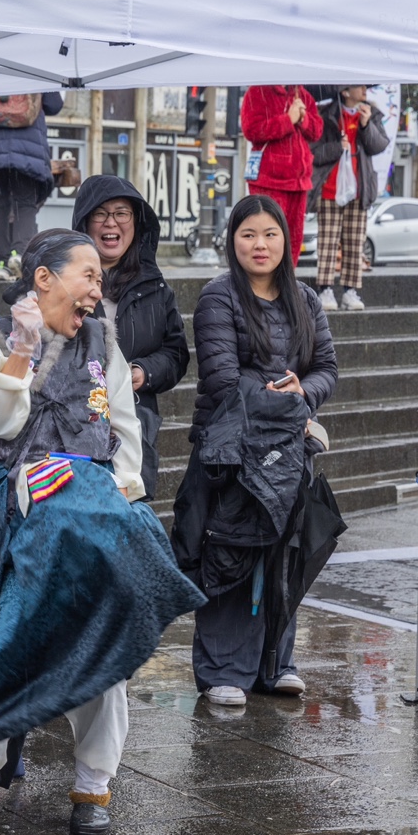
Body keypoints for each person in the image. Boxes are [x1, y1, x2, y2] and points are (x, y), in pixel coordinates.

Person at [0, 229, 204, 835]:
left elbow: (122, 425)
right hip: (19, 504)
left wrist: (123, 490)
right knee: (8, 639)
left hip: (92, 505)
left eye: (100, 280)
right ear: (44, 278)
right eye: (88, 275)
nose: (96, 289)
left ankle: (92, 784)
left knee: (99, 641)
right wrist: (22, 352)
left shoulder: (102, 340)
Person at [178, 194, 338, 707]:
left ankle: (275, 664)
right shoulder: (218, 296)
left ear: (286, 240)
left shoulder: (305, 299)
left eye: (270, 234)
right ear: (233, 241)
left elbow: (326, 368)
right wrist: (286, 400)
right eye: (248, 235)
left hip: (288, 451)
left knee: (283, 555)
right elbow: (223, 379)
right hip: (231, 452)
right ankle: (223, 670)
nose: (260, 244)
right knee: (230, 550)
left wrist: (302, 392)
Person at [71, 175, 190, 501]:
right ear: (84, 223)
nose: (111, 222)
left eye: (122, 213)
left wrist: (143, 372)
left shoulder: (156, 287)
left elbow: (176, 353)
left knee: (131, 512)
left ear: (136, 222)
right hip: (73, 428)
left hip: (134, 427)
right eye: (100, 213)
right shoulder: (64, 284)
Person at [0, 93, 64, 280]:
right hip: (28, 146)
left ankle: (0, 263)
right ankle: (19, 254)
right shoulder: (37, 75)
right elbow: (54, 105)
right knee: (25, 204)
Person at [310, 85, 390, 312]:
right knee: (327, 242)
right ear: (345, 91)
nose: (364, 89)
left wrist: (366, 125)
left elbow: (378, 146)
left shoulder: (372, 114)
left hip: (359, 189)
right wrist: (337, 147)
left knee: (355, 243)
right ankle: (325, 288)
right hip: (330, 189)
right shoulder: (326, 114)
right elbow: (313, 152)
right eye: (359, 86)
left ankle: (350, 291)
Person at [240, 85, 323, 267]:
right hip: (270, 180)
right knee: (267, 237)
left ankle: (287, 280)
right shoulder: (257, 92)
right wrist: (288, 120)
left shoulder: (303, 95)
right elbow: (251, 130)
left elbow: (316, 132)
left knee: (293, 241)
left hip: (299, 182)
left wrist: (304, 118)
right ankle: (264, 281)